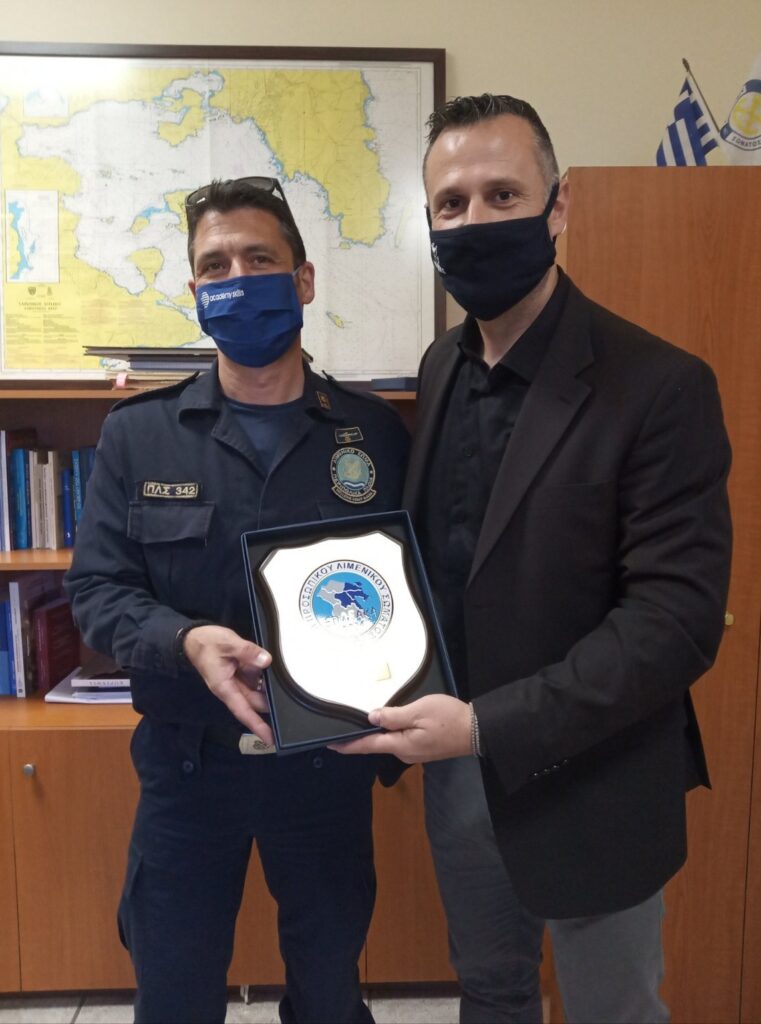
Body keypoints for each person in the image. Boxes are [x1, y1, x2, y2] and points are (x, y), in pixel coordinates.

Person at [332, 95, 732, 1024]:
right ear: (430, 224)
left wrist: (485, 726)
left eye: (502, 194)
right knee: (490, 992)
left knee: (611, 1011)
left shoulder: (659, 385)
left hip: (596, 776)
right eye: (451, 203)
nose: (475, 220)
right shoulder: (440, 365)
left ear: (558, 207)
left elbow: (672, 625)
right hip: (459, 773)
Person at [64, 176, 410, 1024]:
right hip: (188, 768)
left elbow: (413, 590)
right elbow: (97, 589)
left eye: (260, 258)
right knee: (174, 996)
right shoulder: (138, 435)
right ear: (195, 291)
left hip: (327, 767)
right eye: (215, 265)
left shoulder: (373, 433)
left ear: (303, 279)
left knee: (329, 995)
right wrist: (184, 640)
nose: (238, 278)